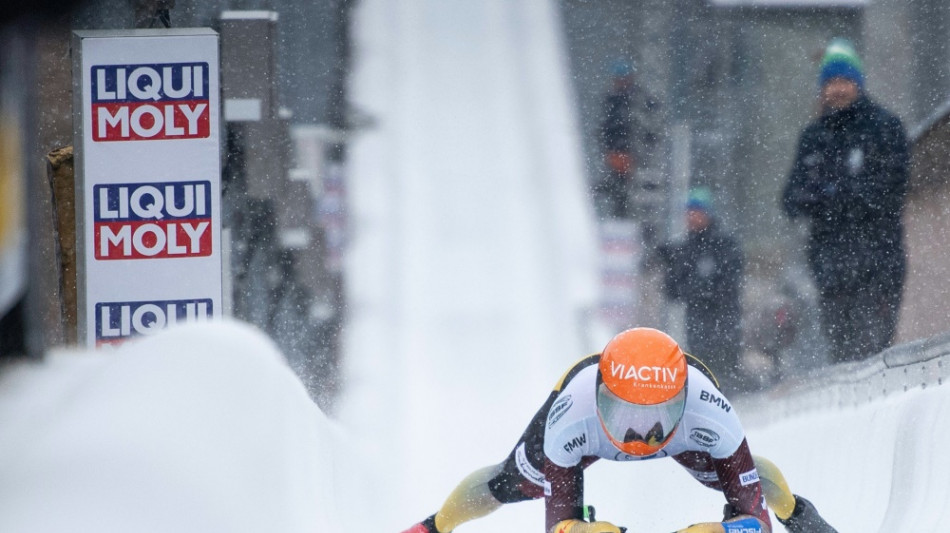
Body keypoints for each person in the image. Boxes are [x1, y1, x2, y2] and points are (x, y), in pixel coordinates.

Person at [400, 328, 837, 533]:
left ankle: (799, 515)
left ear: (684, 400)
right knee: (511, 481)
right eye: (626, 414)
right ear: (600, 394)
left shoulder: (711, 413)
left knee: (746, 482)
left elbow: (754, 522)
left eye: (656, 415)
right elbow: (558, 527)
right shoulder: (571, 414)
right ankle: (434, 526)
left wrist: (718, 532)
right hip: (600, 428)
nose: (641, 437)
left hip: (659, 432)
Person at [782, 38, 909, 363]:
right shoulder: (813, 137)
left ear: (858, 83)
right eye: (831, 82)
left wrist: (834, 196)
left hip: (876, 269)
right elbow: (790, 199)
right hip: (831, 273)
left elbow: (890, 192)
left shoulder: (885, 129)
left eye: (844, 81)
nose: (837, 89)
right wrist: (824, 196)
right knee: (841, 359)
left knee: (872, 358)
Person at [658, 187, 744, 392]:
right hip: (697, 327)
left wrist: (698, 288)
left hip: (723, 325)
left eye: (696, 212)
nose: (691, 217)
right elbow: (673, 292)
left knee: (724, 376)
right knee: (701, 375)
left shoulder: (724, 244)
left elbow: (727, 286)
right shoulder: (685, 248)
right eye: (688, 212)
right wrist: (669, 266)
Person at [594, 60, 663, 219]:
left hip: (635, 153)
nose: (620, 82)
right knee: (620, 195)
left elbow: (653, 124)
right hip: (620, 149)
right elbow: (607, 128)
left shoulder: (639, 99)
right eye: (618, 78)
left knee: (634, 195)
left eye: (624, 78)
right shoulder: (612, 100)